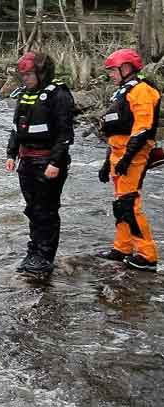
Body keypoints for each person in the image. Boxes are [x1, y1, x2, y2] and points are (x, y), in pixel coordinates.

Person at [5, 52, 75, 275]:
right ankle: (34, 250)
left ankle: (44, 256)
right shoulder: (25, 94)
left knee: (46, 210)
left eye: (29, 74)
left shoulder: (59, 94)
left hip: (48, 161)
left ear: (42, 73)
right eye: (23, 74)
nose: (25, 78)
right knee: (32, 209)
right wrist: (11, 153)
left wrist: (55, 162)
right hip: (27, 161)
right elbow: (17, 128)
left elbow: (65, 133)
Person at [96, 49, 160, 272]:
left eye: (113, 70)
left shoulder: (142, 91)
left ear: (126, 68)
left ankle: (147, 255)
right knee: (121, 204)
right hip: (118, 153)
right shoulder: (124, 91)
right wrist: (108, 163)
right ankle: (122, 248)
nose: (111, 75)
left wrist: (126, 159)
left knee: (129, 204)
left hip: (133, 155)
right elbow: (115, 131)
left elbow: (141, 130)